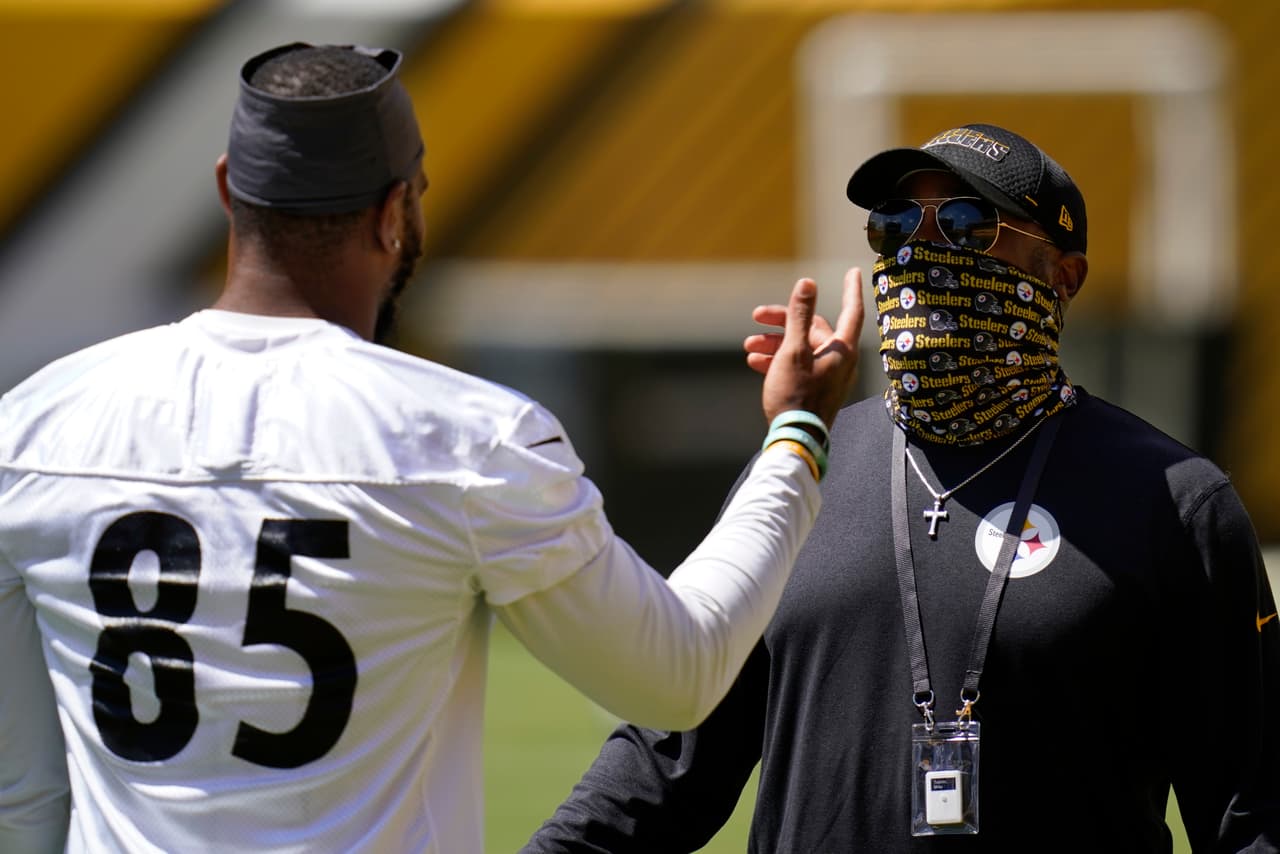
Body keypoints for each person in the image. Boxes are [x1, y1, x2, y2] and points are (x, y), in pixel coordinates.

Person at [0, 43, 864, 853]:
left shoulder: (30, 428)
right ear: (394, 214)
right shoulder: (469, 437)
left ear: (230, 191)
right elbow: (677, 675)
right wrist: (798, 435)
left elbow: (24, 793)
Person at [524, 123, 1280, 852]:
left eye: (964, 222)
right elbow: (669, 764)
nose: (921, 250)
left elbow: (1252, 815)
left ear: (1062, 273)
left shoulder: (1174, 501)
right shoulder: (797, 470)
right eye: (893, 225)